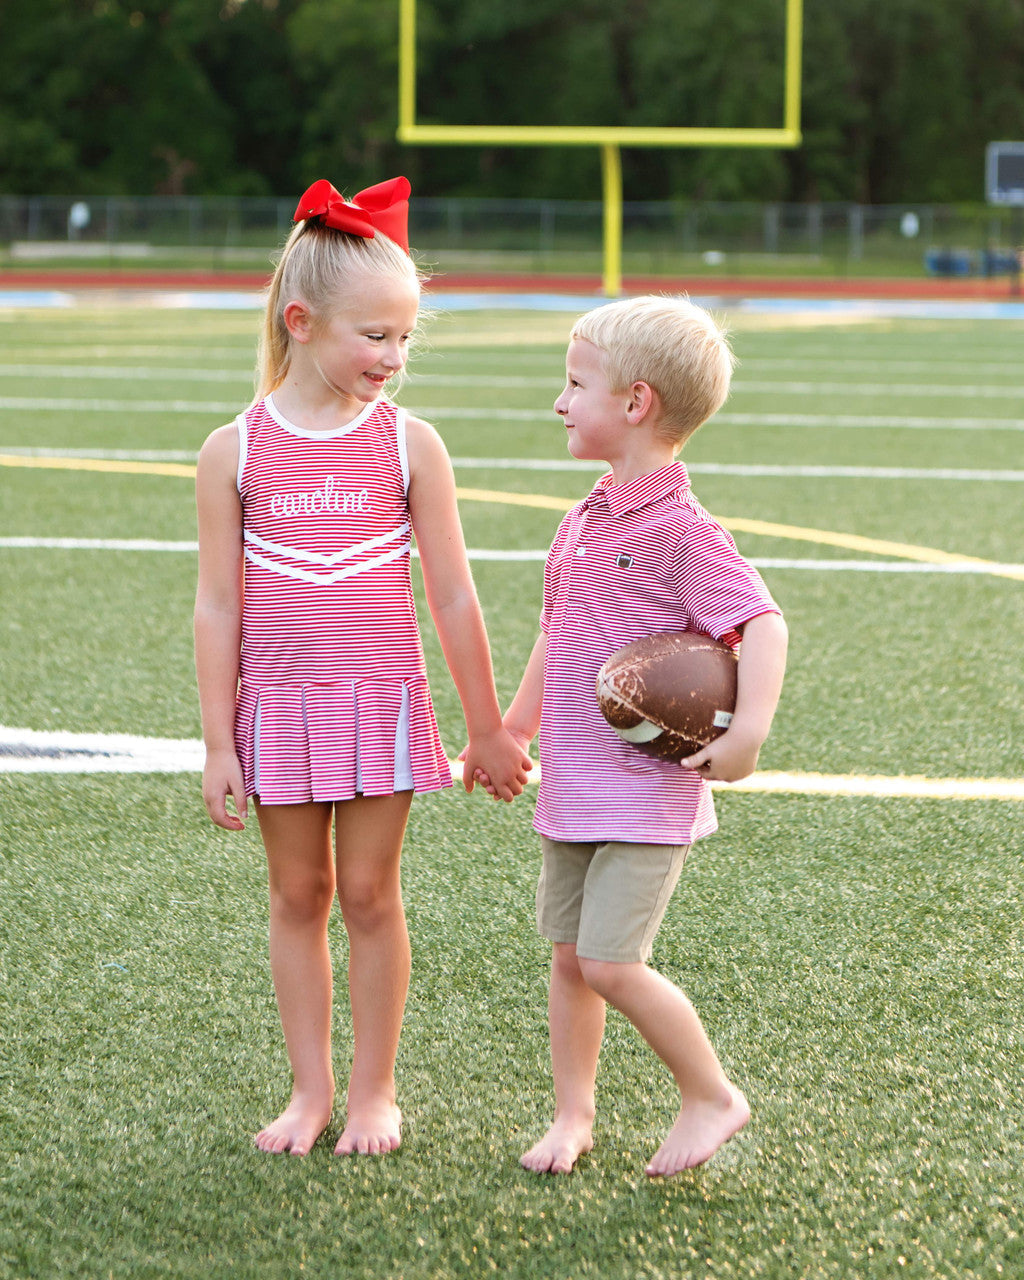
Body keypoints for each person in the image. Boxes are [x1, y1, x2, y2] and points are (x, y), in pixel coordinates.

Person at [194, 177, 531, 1159]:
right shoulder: (233, 451)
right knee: (297, 896)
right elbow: (218, 605)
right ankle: (310, 1091)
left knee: (372, 895)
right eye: (375, 336)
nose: (394, 358)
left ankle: (376, 1090)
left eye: (406, 338)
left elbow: (455, 596)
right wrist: (218, 739)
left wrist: (485, 727)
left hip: (383, 706)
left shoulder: (412, 444)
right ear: (300, 322)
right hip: (278, 712)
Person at [486, 295, 788, 1177]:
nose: (559, 400)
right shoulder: (583, 518)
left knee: (613, 963)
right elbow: (558, 630)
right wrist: (514, 725)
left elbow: (762, 624)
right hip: (576, 785)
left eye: (575, 383)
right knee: (573, 961)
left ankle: (712, 1095)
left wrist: (748, 735)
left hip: (647, 795)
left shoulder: (685, 531)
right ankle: (573, 1116)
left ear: (636, 403)